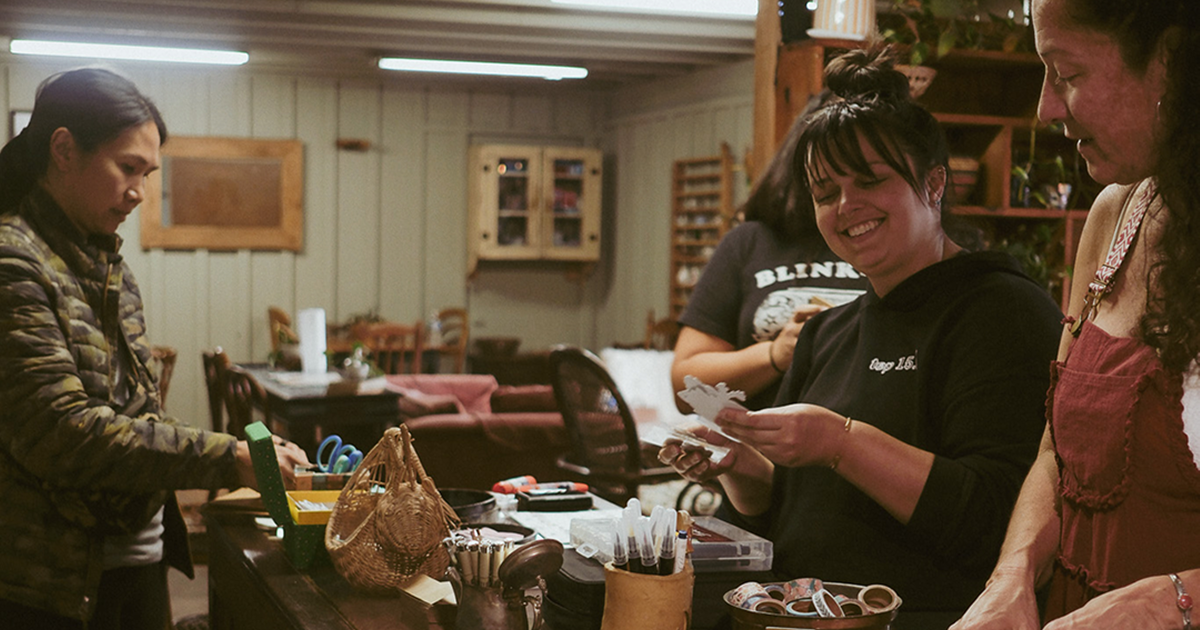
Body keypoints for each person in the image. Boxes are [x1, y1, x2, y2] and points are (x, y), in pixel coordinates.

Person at [659, 45, 1063, 625]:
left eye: (870, 180)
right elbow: (781, 520)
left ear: (934, 184)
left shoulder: (1004, 311)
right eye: (825, 193)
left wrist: (842, 444)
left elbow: (996, 522)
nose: (847, 206)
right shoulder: (828, 332)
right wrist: (743, 469)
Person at [0, 67, 310, 628]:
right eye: (126, 168)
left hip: (133, 562)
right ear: (64, 149)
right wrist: (230, 456)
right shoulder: (14, 263)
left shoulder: (108, 266)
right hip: (50, 586)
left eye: (148, 173)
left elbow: (138, 413)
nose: (140, 192)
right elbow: (60, 432)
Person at [951, 1, 1200, 629]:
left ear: (1169, 63)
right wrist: (1012, 575)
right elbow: (1056, 453)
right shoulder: (1114, 216)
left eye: (1067, 72)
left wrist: (1167, 601)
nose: (1046, 108)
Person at [671, 90, 869, 413]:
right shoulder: (748, 243)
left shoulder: (900, 249)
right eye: (828, 182)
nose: (849, 199)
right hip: (760, 455)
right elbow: (684, 386)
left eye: (868, 178)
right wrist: (777, 354)